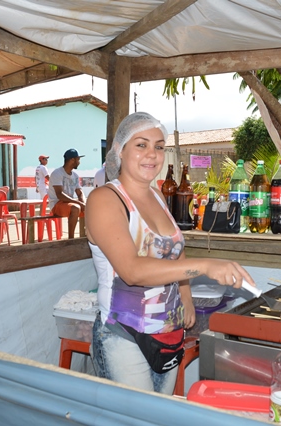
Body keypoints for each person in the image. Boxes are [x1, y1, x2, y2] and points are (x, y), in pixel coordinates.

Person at [85, 112, 255, 395]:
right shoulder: (104, 199)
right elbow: (132, 271)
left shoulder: (157, 196)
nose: (152, 154)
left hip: (167, 333)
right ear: (120, 150)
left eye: (159, 146)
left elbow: (176, 251)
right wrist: (206, 266)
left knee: (160, 412)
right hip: (124, 334)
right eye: (141, 145)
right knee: (136, 415)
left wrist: (185, 296)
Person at [48, 149, 86, 238]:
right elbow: (60, 195)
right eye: (78, 159)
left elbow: (80, 193)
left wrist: (84, 203)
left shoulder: (75, 175)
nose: (79, 162)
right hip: (57, 205)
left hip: (69, 203)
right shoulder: (57, 173)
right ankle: (71, 239)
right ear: (72, 160)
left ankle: (87, 237)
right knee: (76, 208)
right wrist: (79, 203)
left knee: (91, 208)